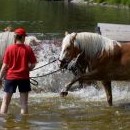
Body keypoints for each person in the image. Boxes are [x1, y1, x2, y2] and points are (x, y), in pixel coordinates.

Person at [0, 28, 37, 115]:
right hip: (24, 78)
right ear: (23, 37)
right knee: (24, 104)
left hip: (10, 78)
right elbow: (33, 64)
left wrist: (0, 77)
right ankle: (24, 125)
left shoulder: (9, 49)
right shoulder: (28, 49)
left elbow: (4, 66)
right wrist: (28, 69)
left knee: (5, 102)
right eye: (25, 37)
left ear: (15, 37)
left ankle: (3, 123)